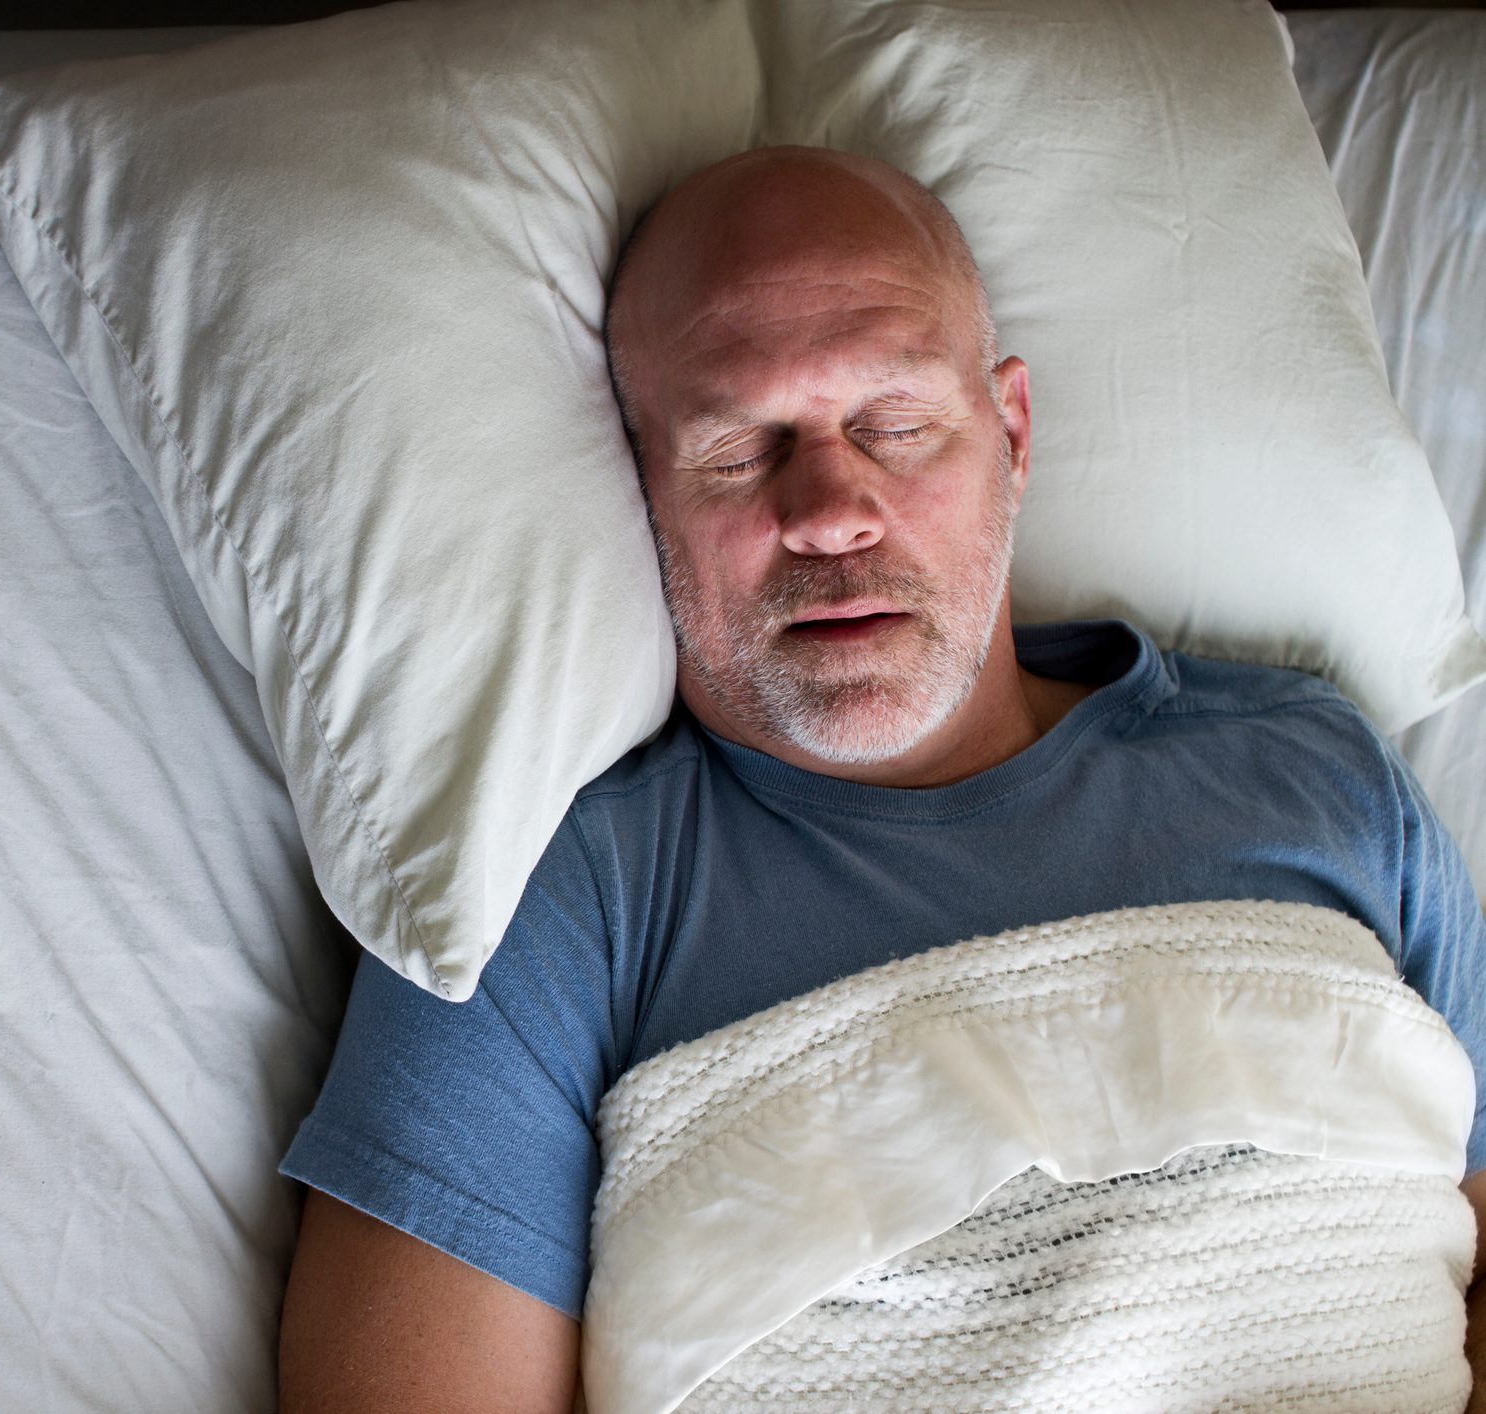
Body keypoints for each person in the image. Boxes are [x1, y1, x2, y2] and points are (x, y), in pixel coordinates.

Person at [273, 147, 1486, 1412]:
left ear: (1011, 434)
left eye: (897, 425)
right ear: (641, 489)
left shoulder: (1318, 769)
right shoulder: (548, 898)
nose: (833, 510)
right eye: (743, 450)